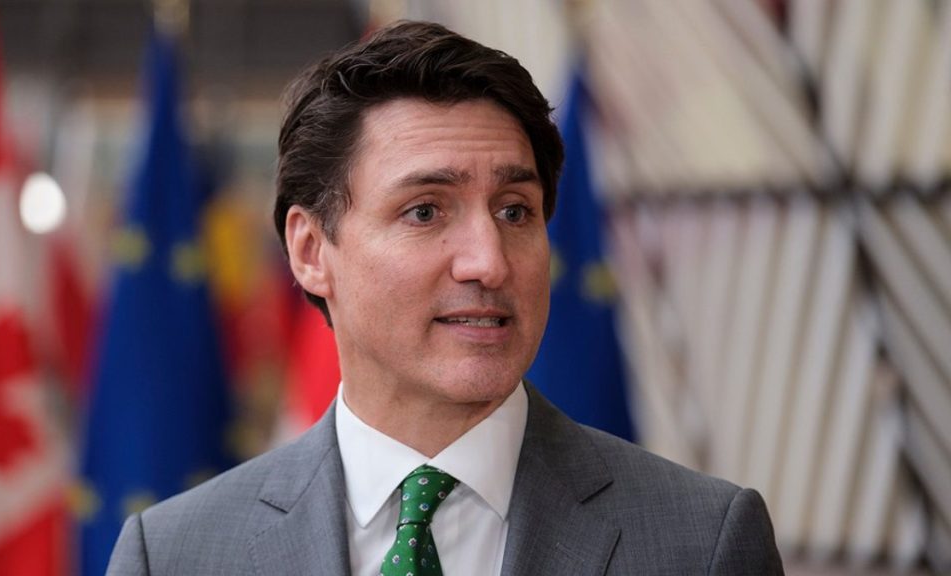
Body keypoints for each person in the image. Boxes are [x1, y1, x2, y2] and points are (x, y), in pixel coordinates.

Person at [107, 20, 784, 575]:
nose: (489, 261)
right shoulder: (173, 556)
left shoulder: (702, 545)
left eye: (515, 211)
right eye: (426, 211)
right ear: (311, 251)